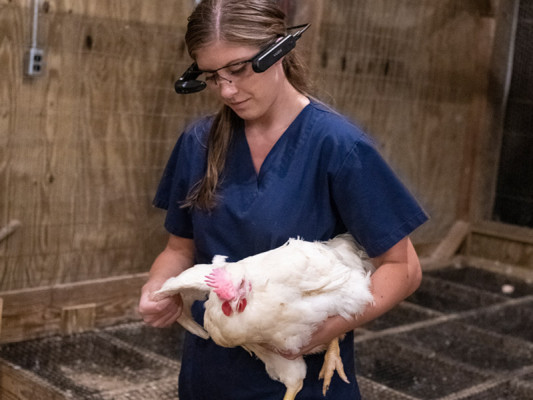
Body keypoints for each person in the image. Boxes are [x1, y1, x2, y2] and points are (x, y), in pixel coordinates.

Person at [138, 0, 428, 399]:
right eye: (212, 76)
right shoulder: (198, 143)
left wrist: (317, 334)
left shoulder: (338, 147)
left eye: (238, 70)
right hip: (213, 371)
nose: (226, 90)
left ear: (278, 51)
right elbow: (179, 248)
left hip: (304, 378)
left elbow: (403, 269)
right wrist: (160, 287)